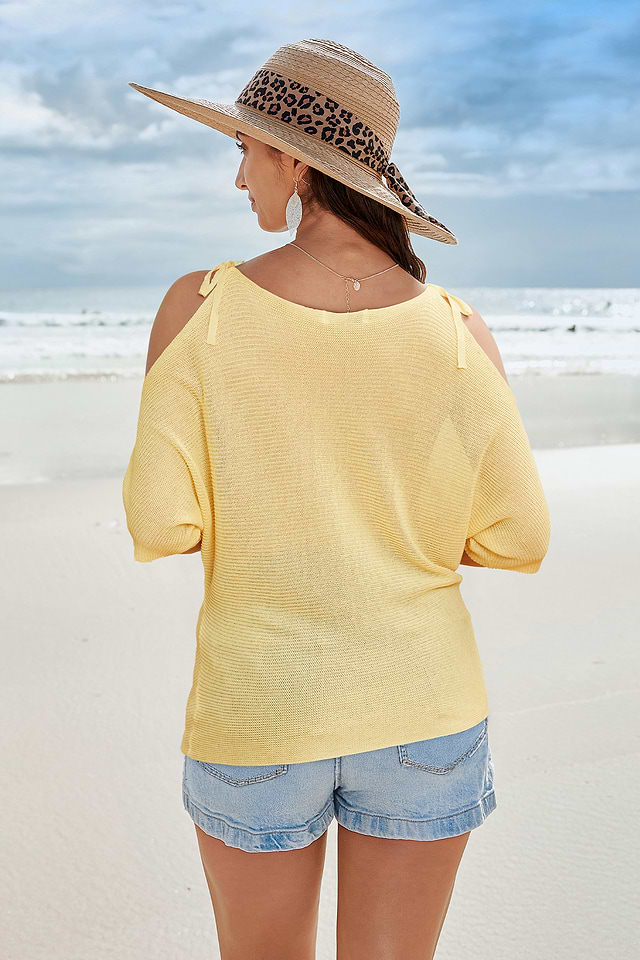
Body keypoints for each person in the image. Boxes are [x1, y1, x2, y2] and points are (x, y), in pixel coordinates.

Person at [123, 39, 550, 960]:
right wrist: (395, 528)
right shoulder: (458, 332)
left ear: (297, 160)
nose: (238, 175)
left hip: (261, 704)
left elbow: (161, 521)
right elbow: (519, 535)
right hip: (425, 704)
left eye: (245, 148)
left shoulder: (200, 308)